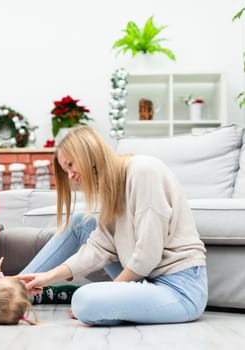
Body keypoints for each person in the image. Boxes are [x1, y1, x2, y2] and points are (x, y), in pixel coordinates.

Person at [17, 126, 207, 326]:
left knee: (84, 301)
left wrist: (109, 293)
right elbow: (99, 247)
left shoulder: (143, 171)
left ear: (88, 153)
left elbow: (147, 256)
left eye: (71, 165)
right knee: (82, 223)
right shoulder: (112, 188)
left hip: (180, 289)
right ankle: (13, 290)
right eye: (67, 171)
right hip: (147, 281)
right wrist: (47, 276)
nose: (71, 176)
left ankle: (102, 305)